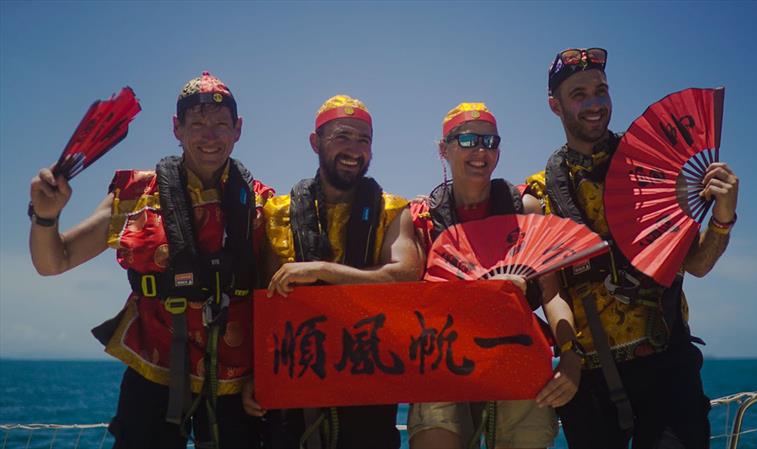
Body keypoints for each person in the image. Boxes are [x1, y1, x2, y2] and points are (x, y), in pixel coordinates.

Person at [29, 71, 273, 449]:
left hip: (235, 381)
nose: (210, 136)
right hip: (153, 371)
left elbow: (281, 296)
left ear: (238, 129)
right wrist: (46, 217)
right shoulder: (134, 195)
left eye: (221, 125)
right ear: (177, 128)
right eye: (197, 124)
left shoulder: (264, 205)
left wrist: (269, 373)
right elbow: (54, 261)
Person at [524, 48, 739, 449]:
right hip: (588, 377)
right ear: (555, 106)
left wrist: (723, 219)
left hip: (667, 364)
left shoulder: (657, 165)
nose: (594, 103)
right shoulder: (540, 196)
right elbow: (551, 292)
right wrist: (567, 356)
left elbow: (697, 263)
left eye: (601, 90)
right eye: (578, 94)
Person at [241, 94, 423, 449]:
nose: (354, 149)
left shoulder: (392, 210)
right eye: (342, 136)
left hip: (368, 379)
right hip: (295, 382)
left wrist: (323, 270)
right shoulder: (277, 213)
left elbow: (405, 276)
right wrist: (255, 373)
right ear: (316, 142)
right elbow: (263, 304)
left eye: (364, 140)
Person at [407, 102, 582, 449]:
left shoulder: (526, 209)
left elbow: (551, 294)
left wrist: (572, 358)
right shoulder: (424, 219)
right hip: (446, 356)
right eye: (468, 139)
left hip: (516, 353)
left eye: (490, 142)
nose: (480, 151)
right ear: (444, 149)